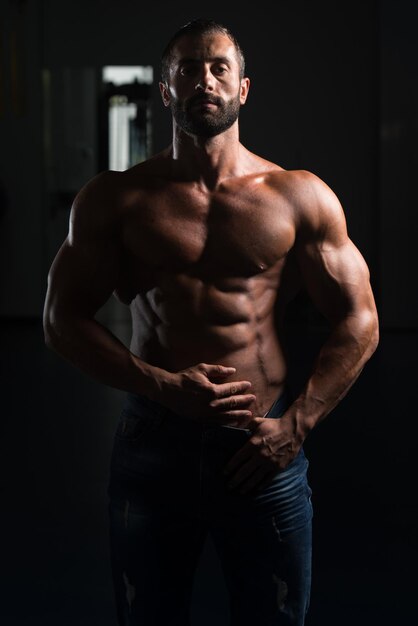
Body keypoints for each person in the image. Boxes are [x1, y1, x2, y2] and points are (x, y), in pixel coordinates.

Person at [43, 17, 379, 626]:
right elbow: (60, 319)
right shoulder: (115, 199)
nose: (206, 79)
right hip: (154, 444)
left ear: (243, 88)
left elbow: (361, 320)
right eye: (188, 69)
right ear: (166, 90)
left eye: (220, 67)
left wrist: (296, 425)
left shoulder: (297, 195)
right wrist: (159, 385)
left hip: (263, 444)